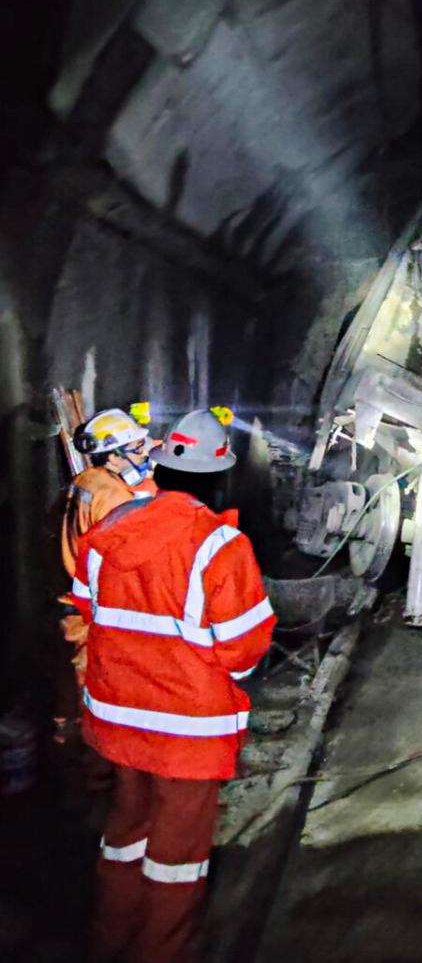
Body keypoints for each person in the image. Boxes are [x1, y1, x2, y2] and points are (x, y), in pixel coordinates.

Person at [70, 408, 276, 962]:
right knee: (177, 854)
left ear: (159, 465)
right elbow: (243, 648)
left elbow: (90, 613)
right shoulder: (220, 546)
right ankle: (162, 952)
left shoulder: (104, 534)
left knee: (125, 832)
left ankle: (108, 939)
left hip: (118, 723)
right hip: (187, 731)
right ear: (218, 476)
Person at [59, 408, 156, 690]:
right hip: (92, 613)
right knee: (93, 693)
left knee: (68, 690)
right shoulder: (115, 498)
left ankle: (62, 732)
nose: (144, 454)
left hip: (70, 606)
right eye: (137, 448)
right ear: (113, 456)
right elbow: (126, 563)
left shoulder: (85, 480)